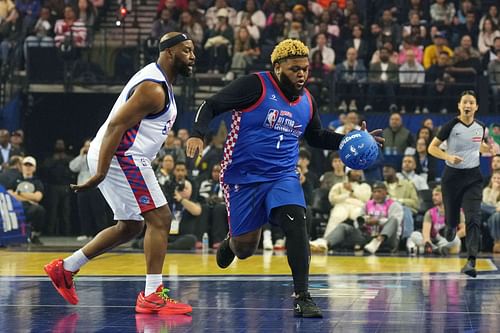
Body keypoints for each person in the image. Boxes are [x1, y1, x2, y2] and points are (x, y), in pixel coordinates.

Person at [186, 39, 383, 318]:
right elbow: (211, 104)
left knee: (297, 222)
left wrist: (353, 140)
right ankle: (232, 241)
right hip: (243, 175)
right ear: (277, 67)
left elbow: (315, 136)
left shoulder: (307, 101)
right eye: (294, 69)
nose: (301, 74)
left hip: (283, 174)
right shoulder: (255, 85)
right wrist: (197, 132)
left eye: (305, 69)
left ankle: (303, 295)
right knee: (245, 249)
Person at [43, 32, 195, 314]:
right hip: (120, 156)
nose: (193, 56)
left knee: (132, 225)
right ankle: (152, 295)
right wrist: (100, 171)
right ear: (169, 53)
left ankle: (66, 268)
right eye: (186, 50)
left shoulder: (160, 83)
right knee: (160, 219)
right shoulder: (154, 88)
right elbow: (116, 126)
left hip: (120, 155)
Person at [428, 90, 493, 278]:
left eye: (471, 103)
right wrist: (448, 156)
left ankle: (471, 261)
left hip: (473, 177)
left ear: (476, 107)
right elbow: (432, 148)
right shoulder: (450, 126)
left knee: (474, 218)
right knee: (452, 222)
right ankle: (450, 225)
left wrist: (487, 148)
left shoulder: (481, 127)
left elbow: (476, 146)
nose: (468, 105)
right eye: (465, 102)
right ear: (459, 105)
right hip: (452, 178)